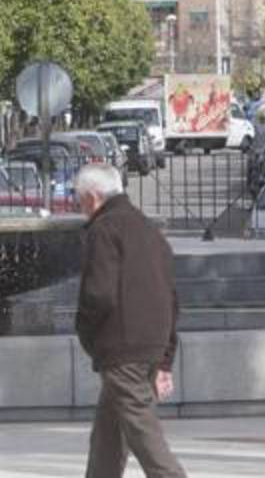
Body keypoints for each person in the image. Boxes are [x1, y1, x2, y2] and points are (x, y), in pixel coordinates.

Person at [74, 163, 186, 478]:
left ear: (93, 197)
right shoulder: (150, 230)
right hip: (149, 345)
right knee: (108, 438)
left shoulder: (104, 229)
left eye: (79, 199)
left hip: (122, 349)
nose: (79, 206)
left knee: (145, 436)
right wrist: (165, 356)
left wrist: (85, 332)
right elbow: (171, 298)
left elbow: (99, 294)